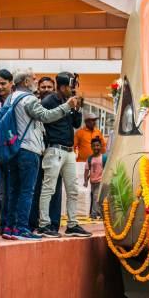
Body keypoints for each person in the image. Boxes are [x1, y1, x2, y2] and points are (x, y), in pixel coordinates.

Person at [1, 70, 81, 241]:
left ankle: (9, 227)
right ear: (25, 81)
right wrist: (67, 106)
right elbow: (45, 116)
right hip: (28, 148)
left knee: (14, 190)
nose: (35, 81)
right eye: (33, 78)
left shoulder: (11, 98)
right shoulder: (29, 99)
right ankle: (22, 228)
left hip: (13, 147)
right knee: (27, 191)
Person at [36, 72, 92, 238]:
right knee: (48, 189)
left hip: (68, 152)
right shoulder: (49, 101)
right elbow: (45, 119)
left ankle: (72, 224)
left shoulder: (67, 101)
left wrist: (78, 108)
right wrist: (68, 106)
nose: (73, 89)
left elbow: (75, 123)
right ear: (62, 87)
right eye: (70, 86)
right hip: (54, 150)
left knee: (73, 190)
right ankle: (44, 224)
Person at [0, 69, 14, 234]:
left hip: (13, 152)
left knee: (10, 190)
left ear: (11, 83)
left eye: (3, 83)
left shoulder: (16, 100)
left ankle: (8, 224)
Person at [84, 137, 107, 220]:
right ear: (91, 147)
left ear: (101, 146)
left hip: (100, 181)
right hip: (92, 182)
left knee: (96, 197)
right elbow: (86, 170)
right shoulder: (90, 159)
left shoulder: (104, 158)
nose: (95, 147)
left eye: (97, 145)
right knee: (96, 197)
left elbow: (107, 169)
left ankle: (94, 214)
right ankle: (101, 214)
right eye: (93, 146)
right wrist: (85, 181)